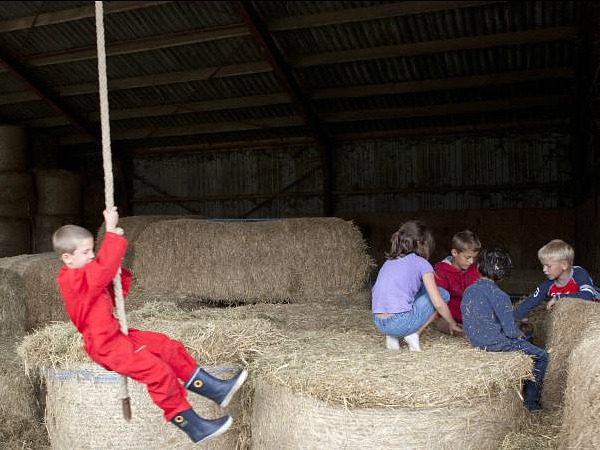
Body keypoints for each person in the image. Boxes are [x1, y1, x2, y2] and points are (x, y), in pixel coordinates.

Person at [52, 207, 248, 444]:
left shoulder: (84, 274)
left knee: (166, 347)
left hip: (116, 335)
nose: (92, 255)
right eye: (86, 252)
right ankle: (193, 426)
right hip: (106, 345)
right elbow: (102, 271)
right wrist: (111, 232)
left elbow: (107, 286)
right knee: (158, 373)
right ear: (67, 258)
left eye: (93, 250)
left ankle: (215, 389)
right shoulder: (70, 280)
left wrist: (116, 269)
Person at [461, 248, 548, 411]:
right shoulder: (501, 296)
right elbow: (511, 332)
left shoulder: (469, 290)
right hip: (496, 344)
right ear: (503, 275)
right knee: (541, 355)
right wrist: (520, 333)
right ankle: (531, 402)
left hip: (475, 340)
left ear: (478, 267)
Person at [372, 220, 462, 352]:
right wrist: (452, 323)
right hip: (399, 322)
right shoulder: (422, 264)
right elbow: (438, 303)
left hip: (379, 322)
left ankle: (392, 336)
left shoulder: (389, 261)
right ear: (421, 243)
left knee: (420, 288)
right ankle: (414, 334)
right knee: (442, 294)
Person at [513, 239, 600, 321]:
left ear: (564, 265)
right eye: (543, 265)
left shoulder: (579, 273)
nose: (544, 269)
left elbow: (587, 295)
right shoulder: (547, 284)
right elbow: (528, 304)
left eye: (548, 266)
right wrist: (509, 321)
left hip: (595, 309)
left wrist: (559, 298)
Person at [434, 230, 481, 333]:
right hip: (451, 315)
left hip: (473, 315)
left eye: (474, 257)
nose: (471, 261)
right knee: (443, 325)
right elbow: (439, 300)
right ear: (454, 253)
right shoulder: (442, 270)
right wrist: (451, 321)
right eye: (468, 257)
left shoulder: (475, 268)